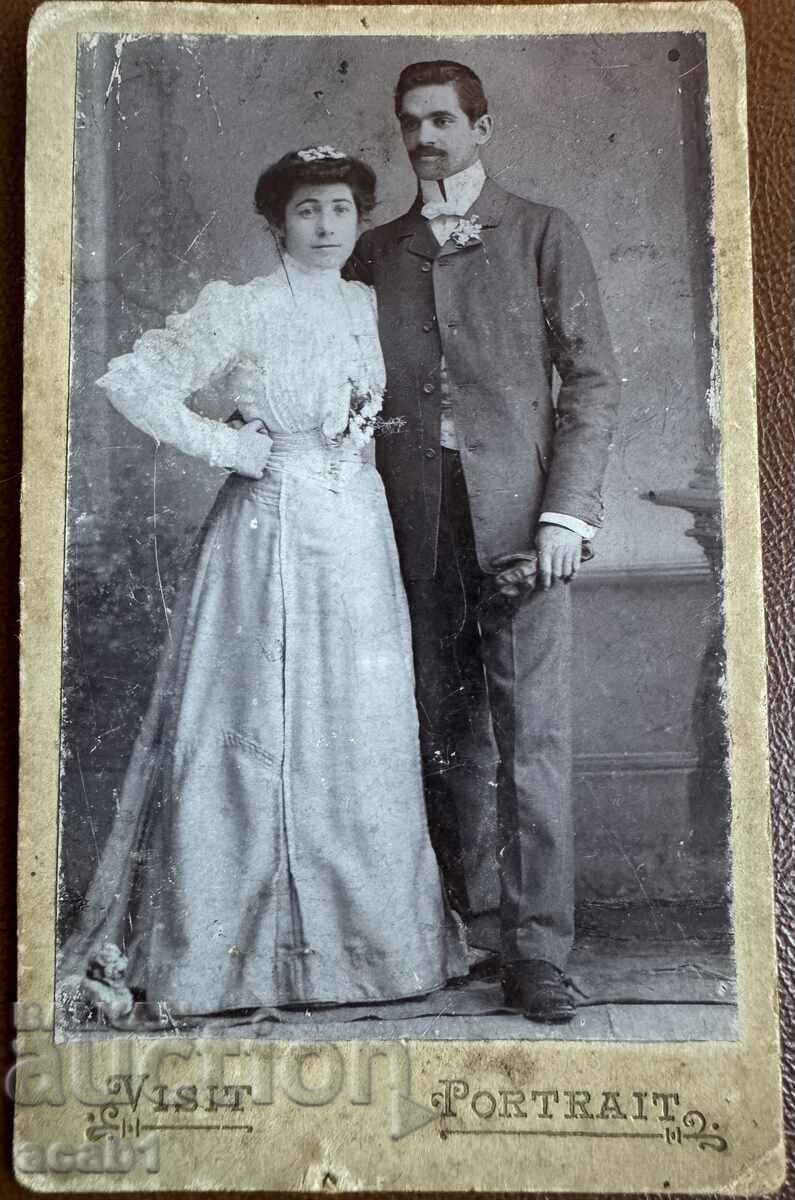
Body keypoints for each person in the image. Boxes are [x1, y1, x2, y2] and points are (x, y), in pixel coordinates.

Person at [58, 147, 468, 1019]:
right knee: (254, 726)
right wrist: (236, 449)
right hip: (267, 534)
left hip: (356, 535)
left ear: (360, 220)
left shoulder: (367, 305)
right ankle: (234, 958)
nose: (326, 227)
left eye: (342, 211)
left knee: (356, 724)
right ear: (276, 223)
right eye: (308, 211)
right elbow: (134, 381)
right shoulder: (239, 309)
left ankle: (366, 953)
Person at [351, 62, 620, 1023]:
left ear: (480, 127)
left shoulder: (542, 231)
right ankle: (453, 931)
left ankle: (538, 955)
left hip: (520, 526)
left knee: (531, 742)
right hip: (406, 522)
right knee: (433, 736)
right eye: (410, 123)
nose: (425, 138)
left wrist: (564, 517)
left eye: (442, 121)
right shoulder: (376, 249)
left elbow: (591, 382)